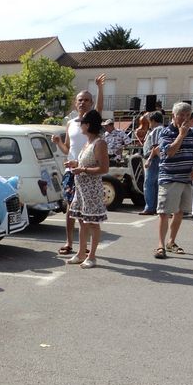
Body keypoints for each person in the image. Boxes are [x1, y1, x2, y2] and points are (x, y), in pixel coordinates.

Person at [51, 73, 105, 255]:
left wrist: (100, 88)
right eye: (80, 100)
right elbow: (67, 149)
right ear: (75, 103)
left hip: (87, 170)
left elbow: (100, 108)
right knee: (70, 208)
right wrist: (58, 142)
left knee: (85, 211)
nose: (83, 103)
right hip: (71, 170)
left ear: (91, 103)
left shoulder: (93, 121)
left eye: (87, 100)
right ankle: (69, 243)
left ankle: (84, 246)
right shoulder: (71, 124)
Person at [154, 101, 193, 259]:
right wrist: (181, 135)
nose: (184, 118)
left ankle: (171, 241)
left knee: (180, 212)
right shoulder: (166, 132)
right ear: (173, 116)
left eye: (187, 115)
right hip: (169, 177)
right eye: (181, 115)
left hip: (186, 178)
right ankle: (160, 245)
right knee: (164, 212)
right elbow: (170, 152)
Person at [66, 109, 109, 268]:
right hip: (81, 189)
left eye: (82, 123)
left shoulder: (99, 143)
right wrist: (75, 164)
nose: (80, 126)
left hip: (91, 190)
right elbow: (88, 162)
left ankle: (92, 256)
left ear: (88, 125)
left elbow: (104, 168)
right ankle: (81, 253)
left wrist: (83, 169)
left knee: (92, 223)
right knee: (82, 221)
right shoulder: (88, 142)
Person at [139, 111, 165, 215]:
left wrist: (149, 159)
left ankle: (150, 207)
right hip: (156, 158)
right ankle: (154, 206)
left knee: (149, 183)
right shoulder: (160, 129)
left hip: (154, 159)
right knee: (155, 184)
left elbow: (155, 146)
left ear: (153, 121)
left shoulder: (157, 129)